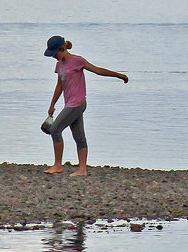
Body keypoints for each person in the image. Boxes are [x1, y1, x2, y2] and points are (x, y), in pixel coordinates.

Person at [43, 35, 129, 176]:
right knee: (79, 136)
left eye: (54, 53)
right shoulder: (59, 65)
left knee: (55, 129)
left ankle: (58, 165)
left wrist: (118, 75)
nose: (53, 57)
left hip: (77, 104)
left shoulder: (77, 61)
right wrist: (52, 105)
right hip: (68, 104)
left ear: (62, 48)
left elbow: (98, 70)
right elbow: (59, 86)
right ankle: (82, 169)